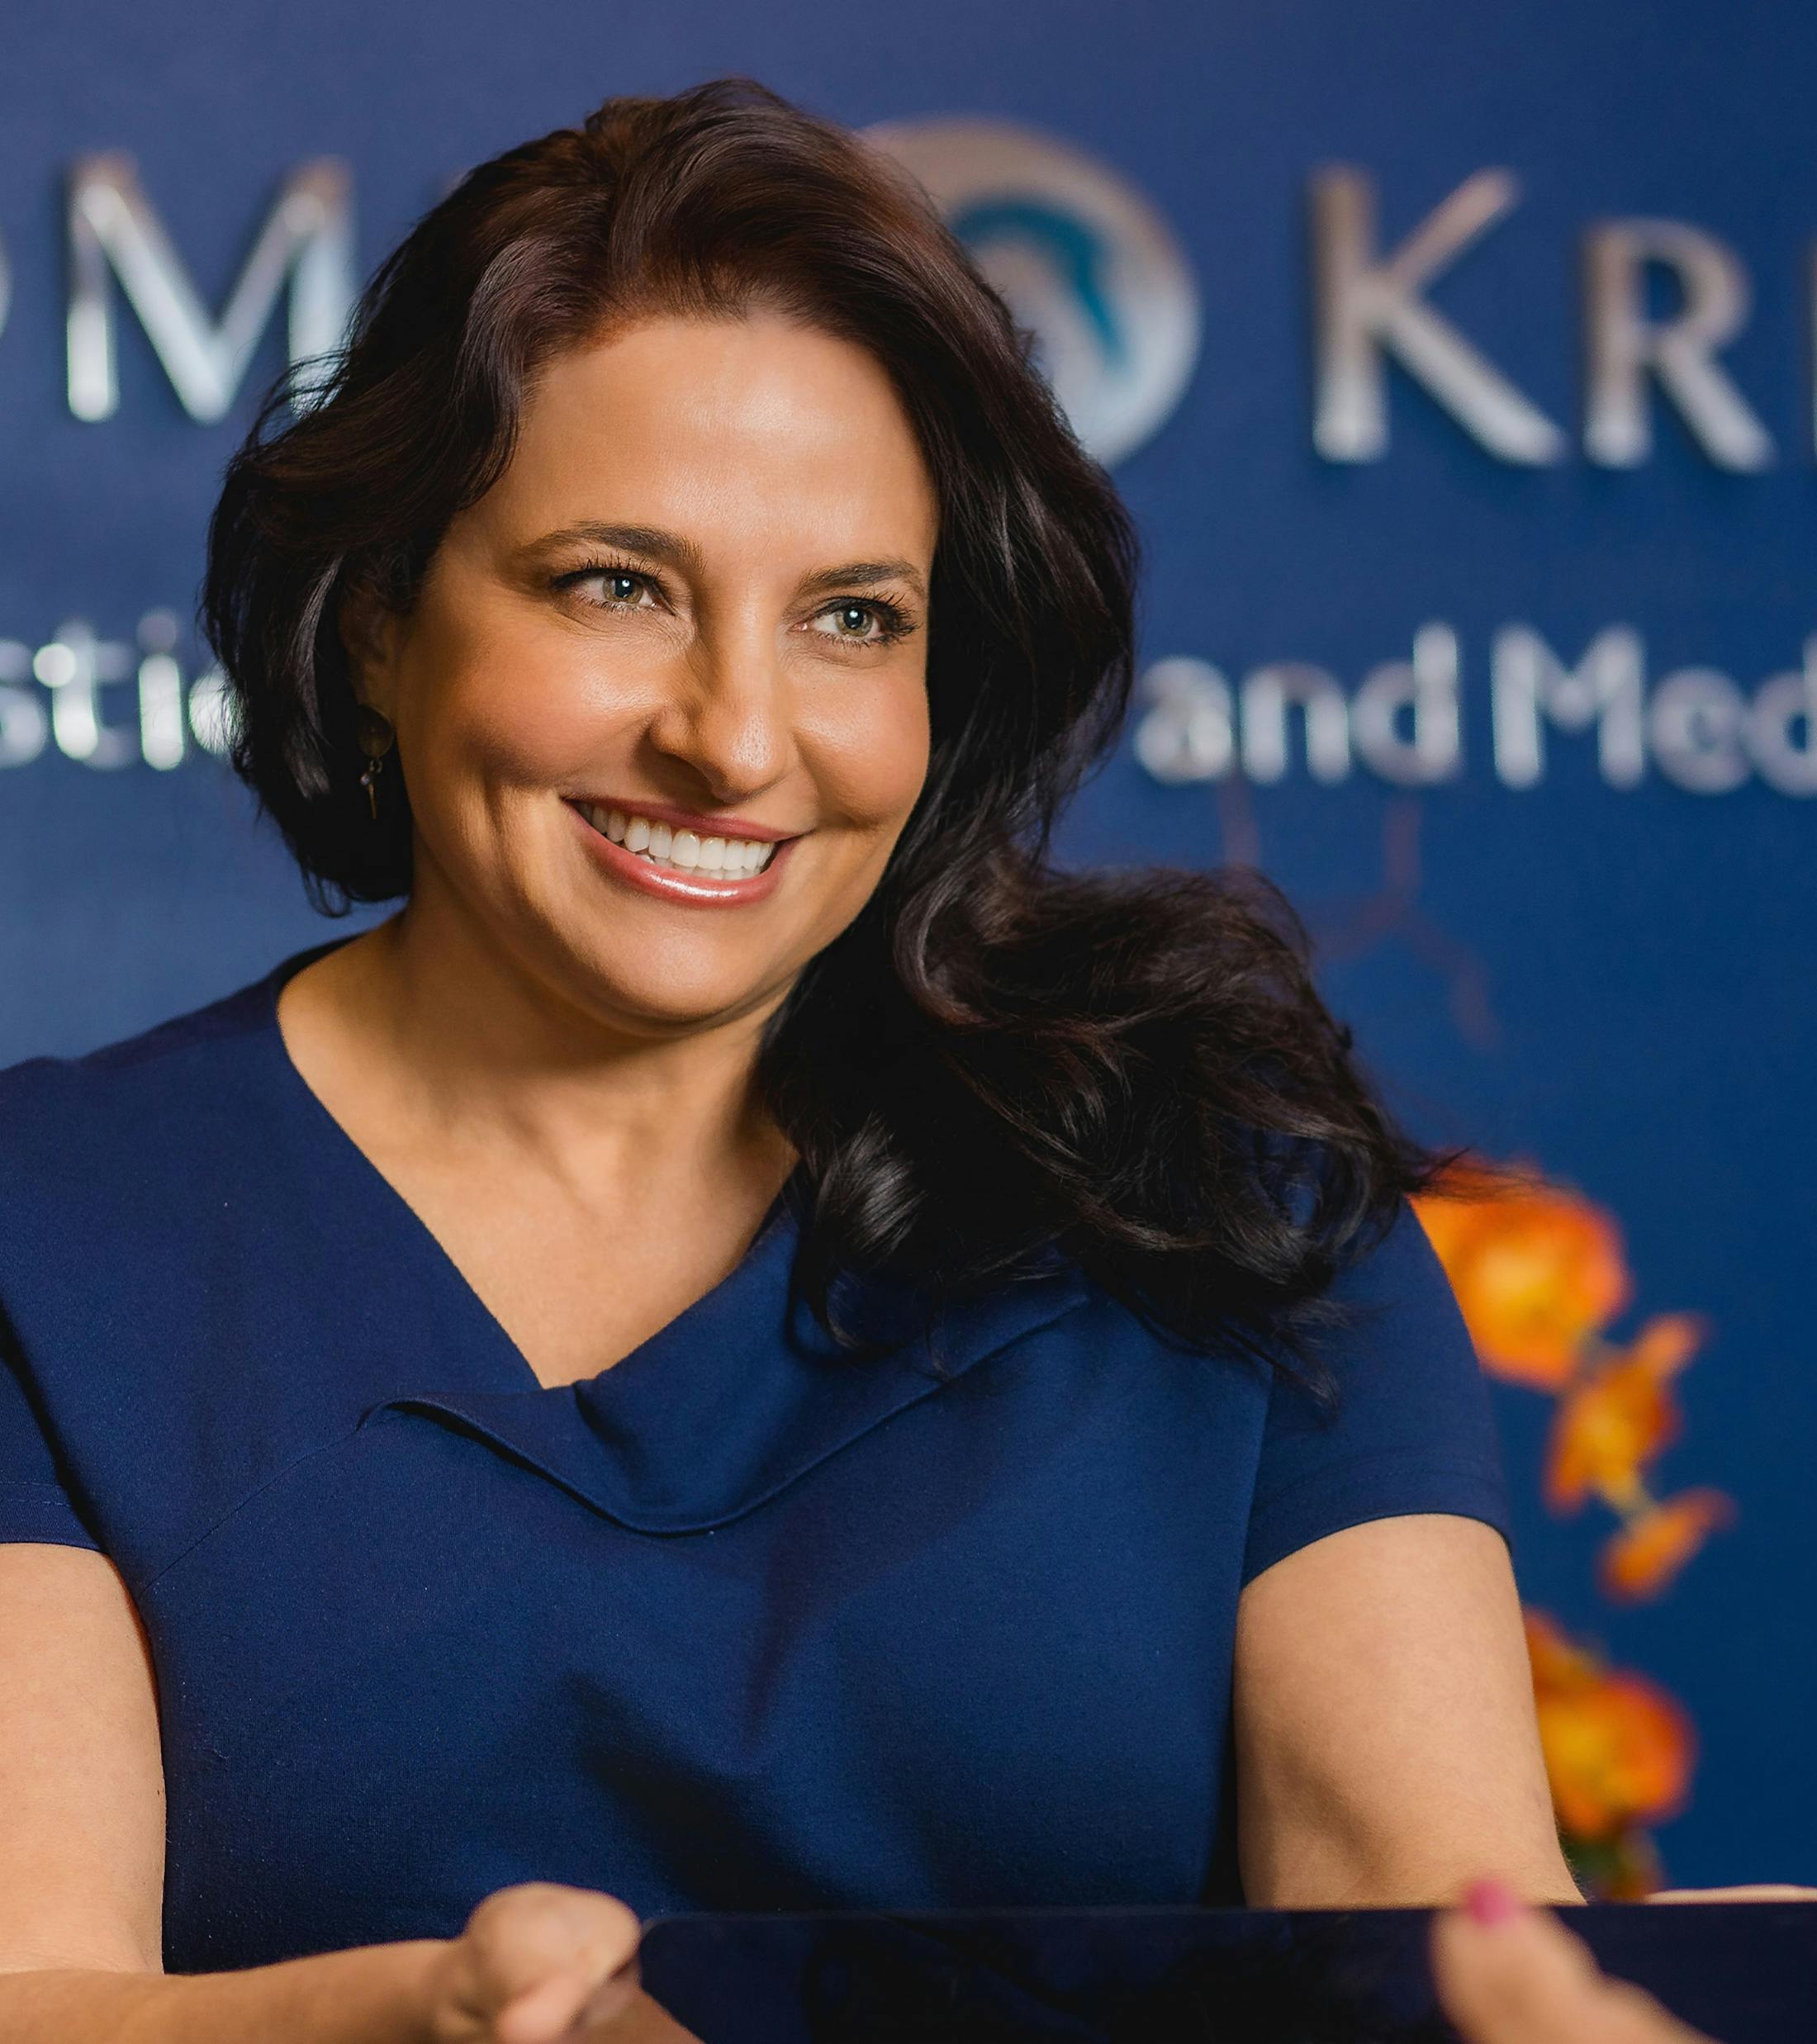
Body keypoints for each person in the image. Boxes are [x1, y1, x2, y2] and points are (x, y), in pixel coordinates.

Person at [0, 74, 1592, 2044]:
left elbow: (1436, 1956)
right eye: (616, 585)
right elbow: (30, 1988)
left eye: (850, 617)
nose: (736, 739)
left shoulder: (1226, 1190)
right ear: (382, 621)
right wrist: (409, 2021)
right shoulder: (45, 1243)